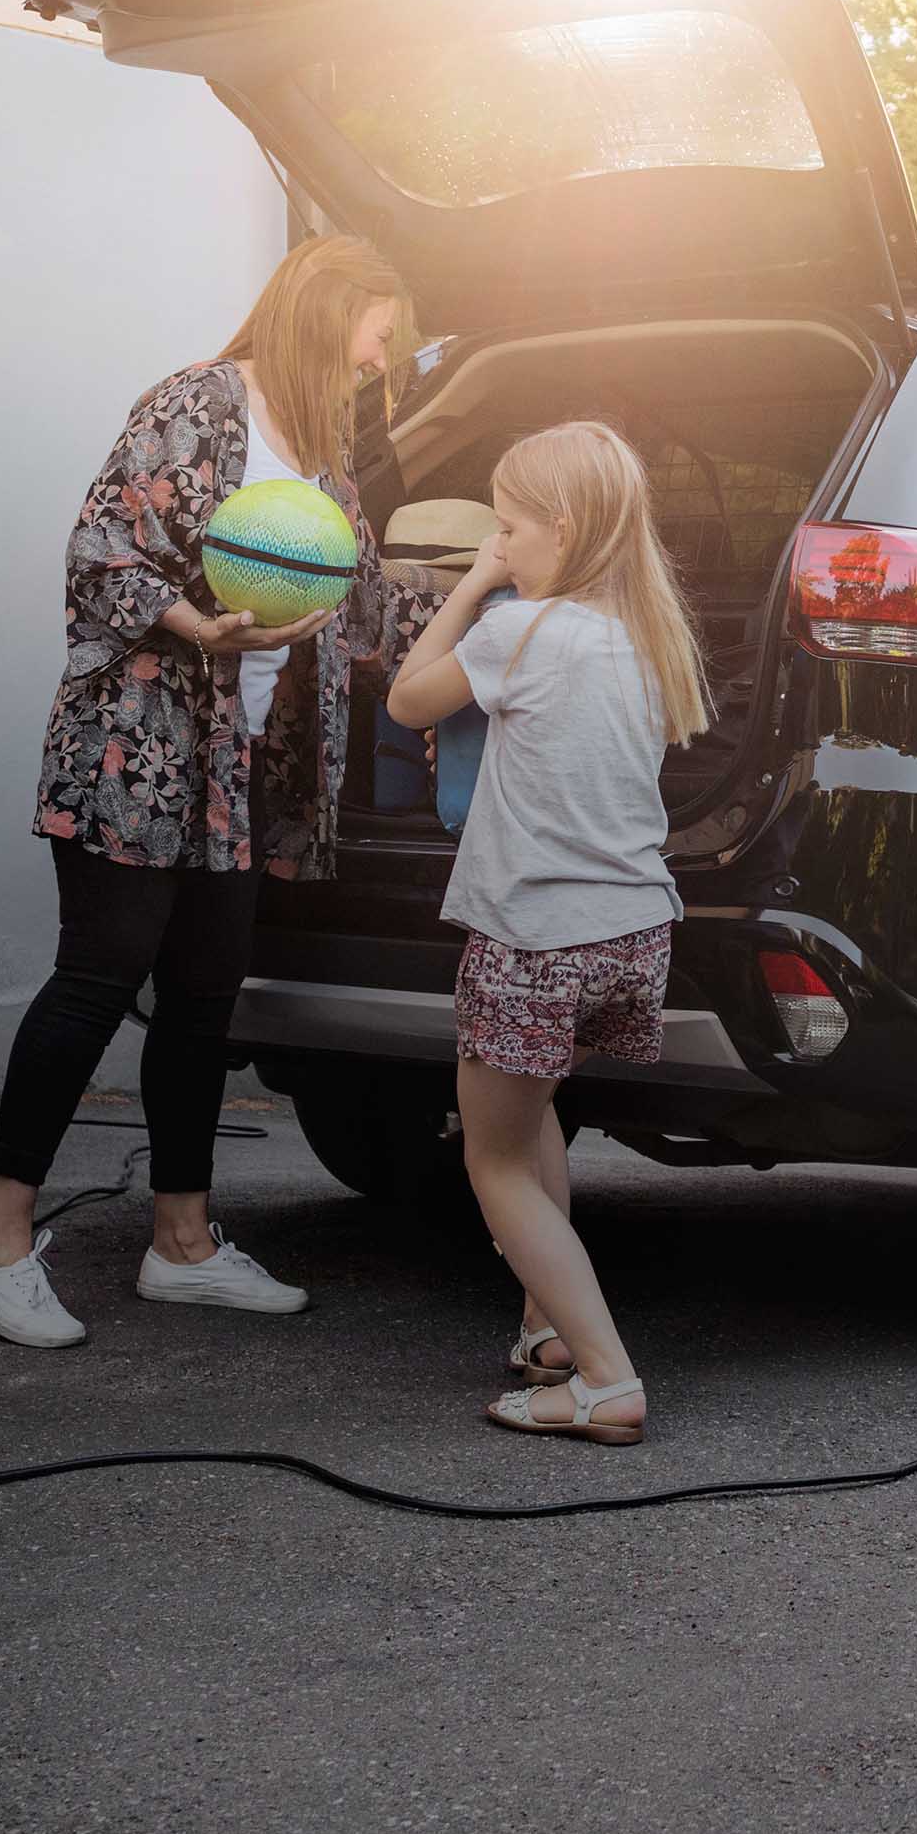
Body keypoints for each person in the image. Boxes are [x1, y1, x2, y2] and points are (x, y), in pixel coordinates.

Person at [0, 233, 434, 1351]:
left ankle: (182, 1245)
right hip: (135, 750)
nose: (377, 366)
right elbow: (103, 548)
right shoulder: (199, 402)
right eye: (374, 343)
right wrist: (198, 624)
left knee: (206, 1000)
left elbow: (359, 608)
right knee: (95, 981)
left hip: (235, 765)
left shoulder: (320, 457)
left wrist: (507, 594)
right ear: (326, 317)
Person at [383, 420, 710, 1446]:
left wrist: (472, 584)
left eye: (510, 528)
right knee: (534, 1127)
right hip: (630, 930)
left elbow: (405, 697)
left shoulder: (521, 630)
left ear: (561, 531)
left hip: (534, 936)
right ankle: (550, 1335)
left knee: (494, 1159)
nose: (502, 544)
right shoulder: (650, 638)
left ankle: (607, 1378)